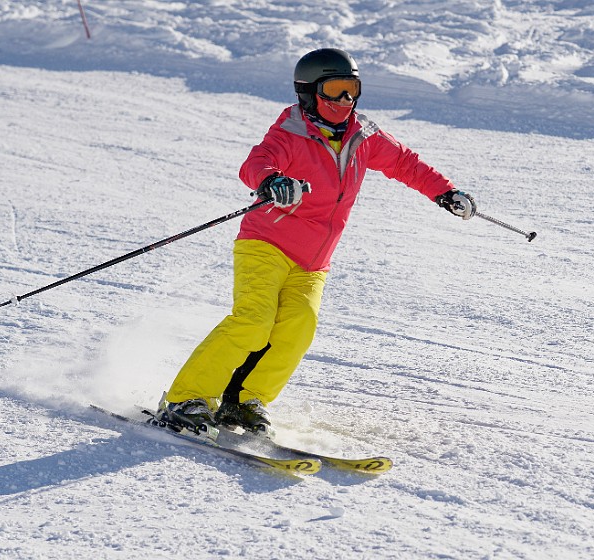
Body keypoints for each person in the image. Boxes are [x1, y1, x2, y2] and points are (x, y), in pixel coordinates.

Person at [157, 48, 476, 438]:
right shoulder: (291, 132)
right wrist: (272, 181)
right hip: (266, 245)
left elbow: (405, 163)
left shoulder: (364, 136)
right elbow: (256, 163)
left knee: (298, 327)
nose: (345, 99)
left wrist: (445, 192)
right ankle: (186, 398)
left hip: (312, 262)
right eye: (335, 89)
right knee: (254, 321)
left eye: (352, 88)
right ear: (308, 92)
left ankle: (242, 400)